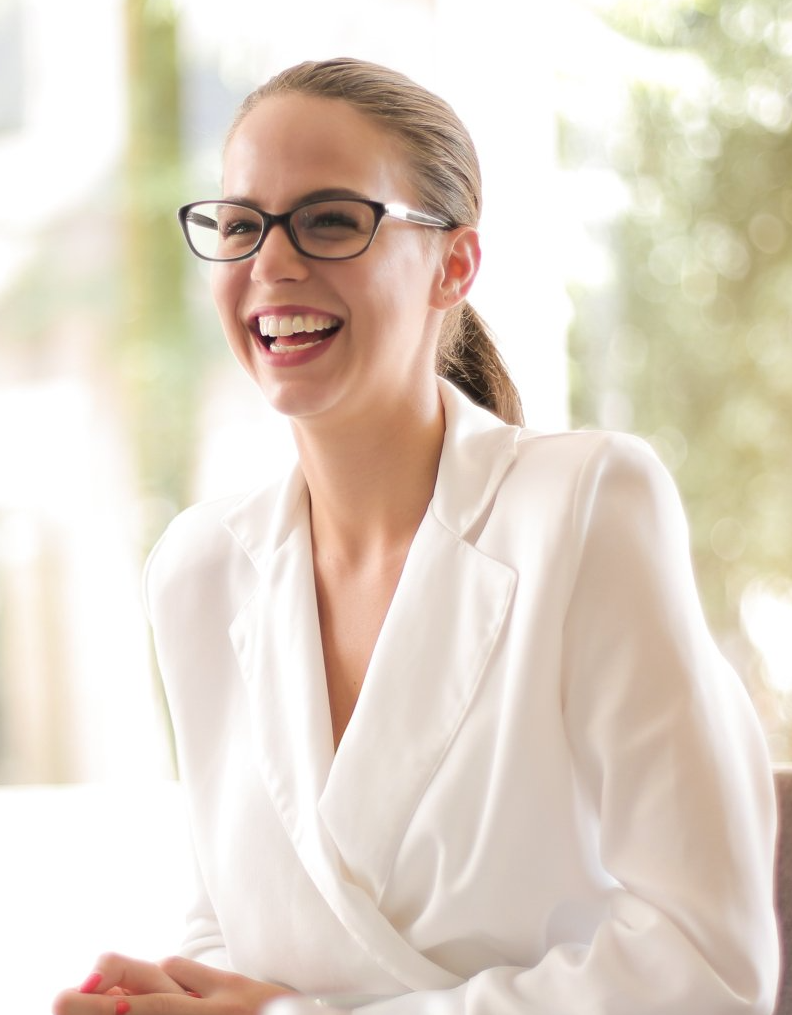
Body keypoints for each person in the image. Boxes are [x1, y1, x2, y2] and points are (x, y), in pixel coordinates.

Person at [54, 57, 779, 1015]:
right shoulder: (200, 569)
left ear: (454, 263)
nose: (271, 262)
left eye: (329, 220)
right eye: (239, 225)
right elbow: (234, 917)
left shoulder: (585, 504)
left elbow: (705, 969)